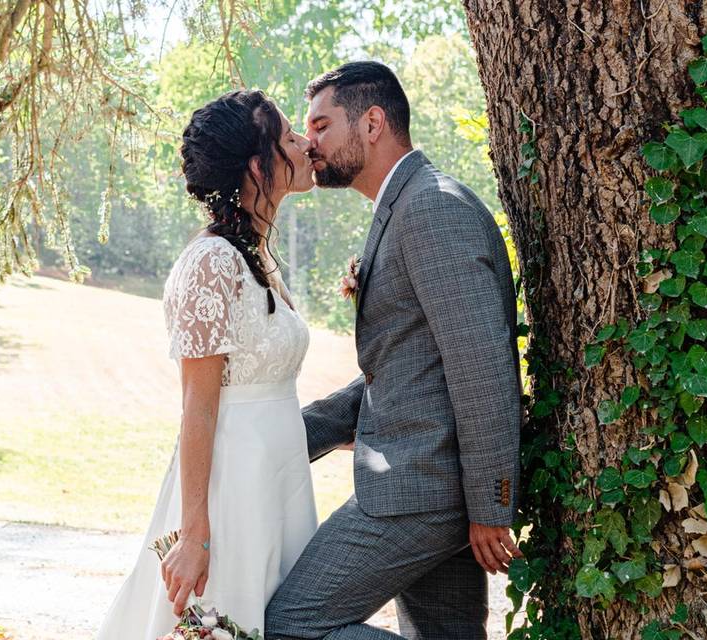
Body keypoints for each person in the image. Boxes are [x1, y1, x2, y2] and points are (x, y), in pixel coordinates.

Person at [265, 61, 523, 640]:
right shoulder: (404, 206)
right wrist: (282, 437)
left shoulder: (431, 208)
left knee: (290, 627)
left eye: (323, 125)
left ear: (374, 122)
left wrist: (490, 503)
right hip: (432, 487)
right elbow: (404, 367)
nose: (310, 142)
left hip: (421, 494)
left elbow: (481, 367)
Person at [96, 89, 317, 639]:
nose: (306, 144)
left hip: (276, 483)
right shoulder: (212, 262)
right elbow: (197, 406)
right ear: (257, 164)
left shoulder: (258, 255)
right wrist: (195, 534)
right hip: (230, 491)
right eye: (290, 137)